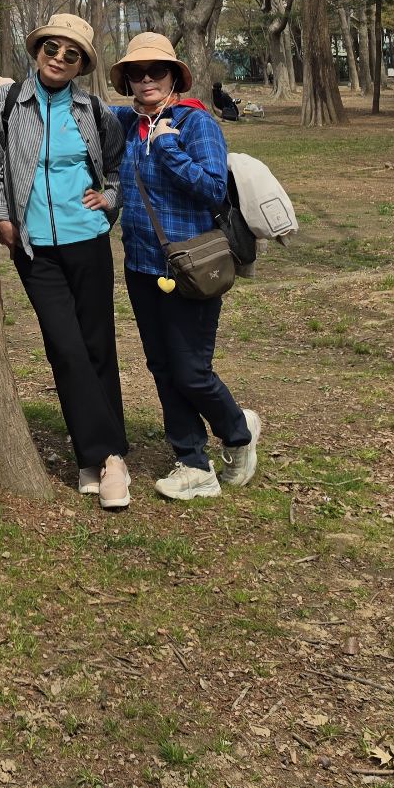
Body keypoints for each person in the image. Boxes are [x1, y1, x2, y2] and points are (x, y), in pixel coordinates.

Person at [0, 13, 130, 510]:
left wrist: (108, 199)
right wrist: (1, 216)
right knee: (65, 348)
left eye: (72, 55)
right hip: (33, 248)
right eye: (52, 48)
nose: (59, 59)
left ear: (81, 65)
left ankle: (100, 459)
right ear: (38, 50)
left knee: (97, 346)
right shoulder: (5, 102)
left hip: (88, 239)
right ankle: (109, 453)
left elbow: (116, 166)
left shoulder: (94, 110)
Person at [109, 32, 260, 501]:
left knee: (191, 371)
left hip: (192, 267)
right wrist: (19, 88)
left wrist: (169, 149)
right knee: (161, 366)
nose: (146, 79)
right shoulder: (127, 122)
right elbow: (77, 110)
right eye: (136, 72)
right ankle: (193, 462)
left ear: (174, 75)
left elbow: (213, 188)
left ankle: (237, 432)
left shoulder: (196, 124)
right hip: (141, 267)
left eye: (156, 70)